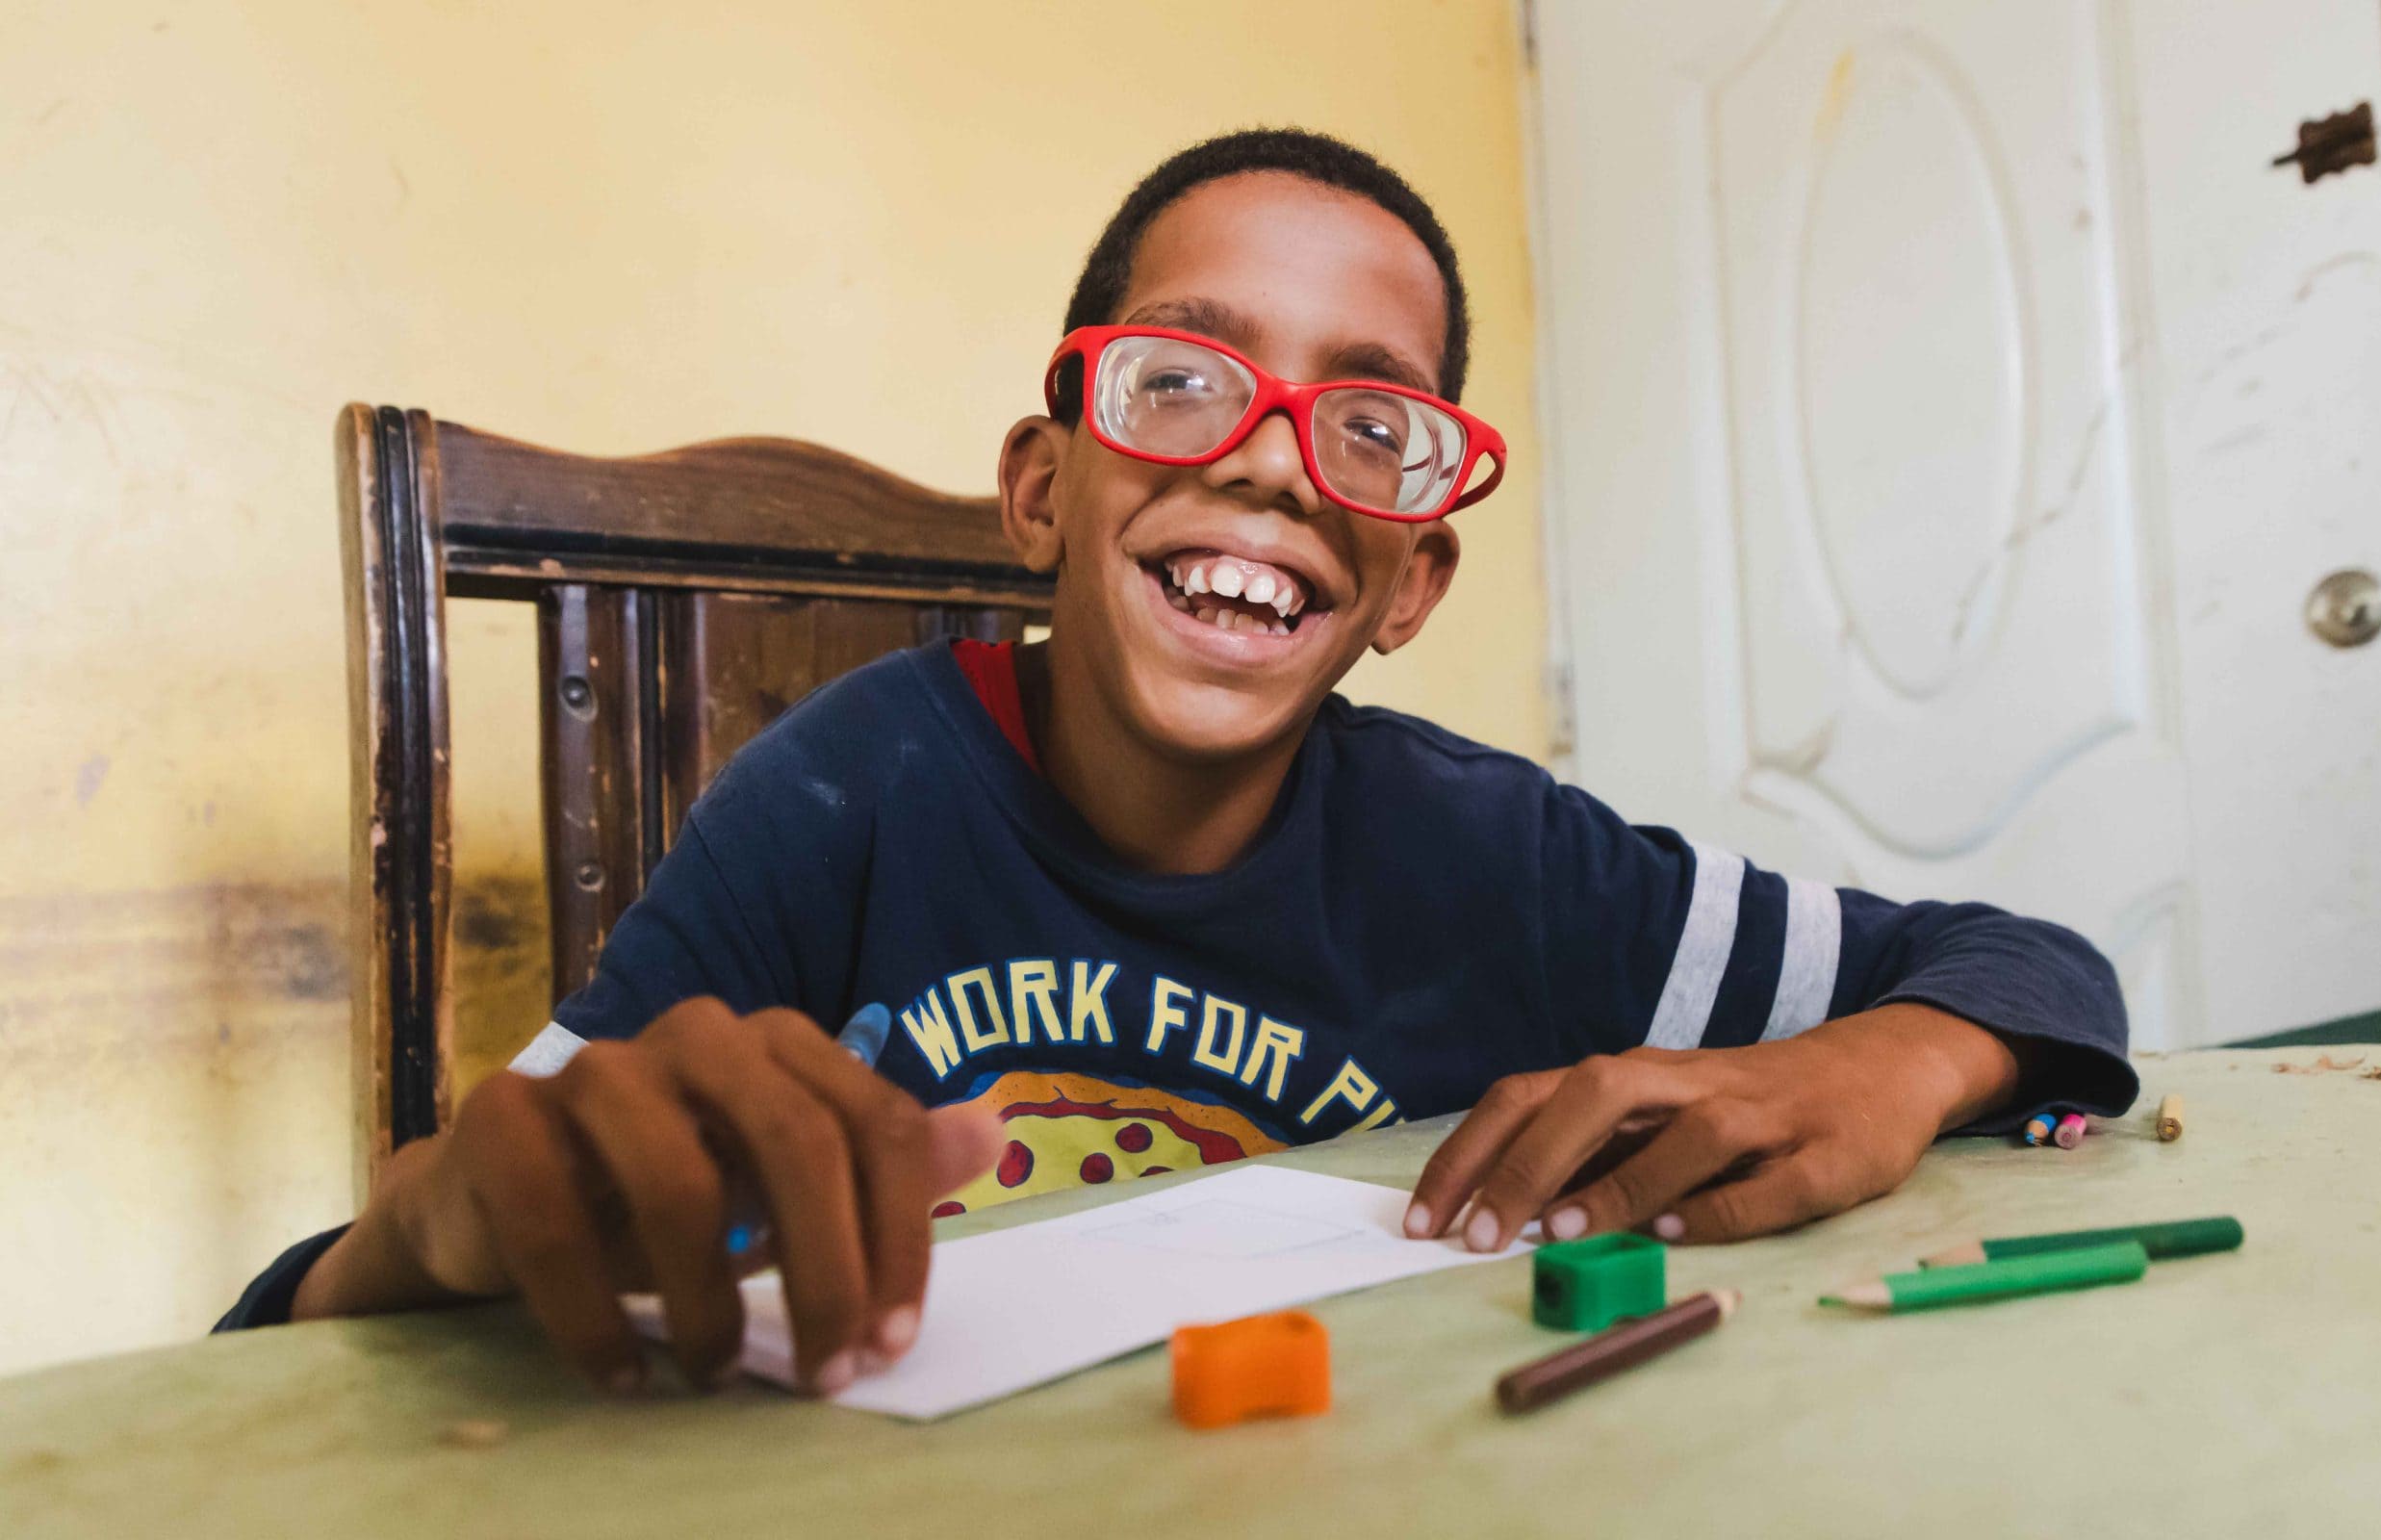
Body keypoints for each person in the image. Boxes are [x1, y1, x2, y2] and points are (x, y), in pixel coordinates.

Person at [219, 129, 2131, 1396]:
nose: (1275, 461)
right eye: (1181, 379)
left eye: (1368, 424)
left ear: (1411, 579)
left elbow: (2025, 966)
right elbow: (315, 1324)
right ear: (1043, 490)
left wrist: (1880, 1065)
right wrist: (439, 1218)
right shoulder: (845, 795)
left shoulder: (1491, 856)